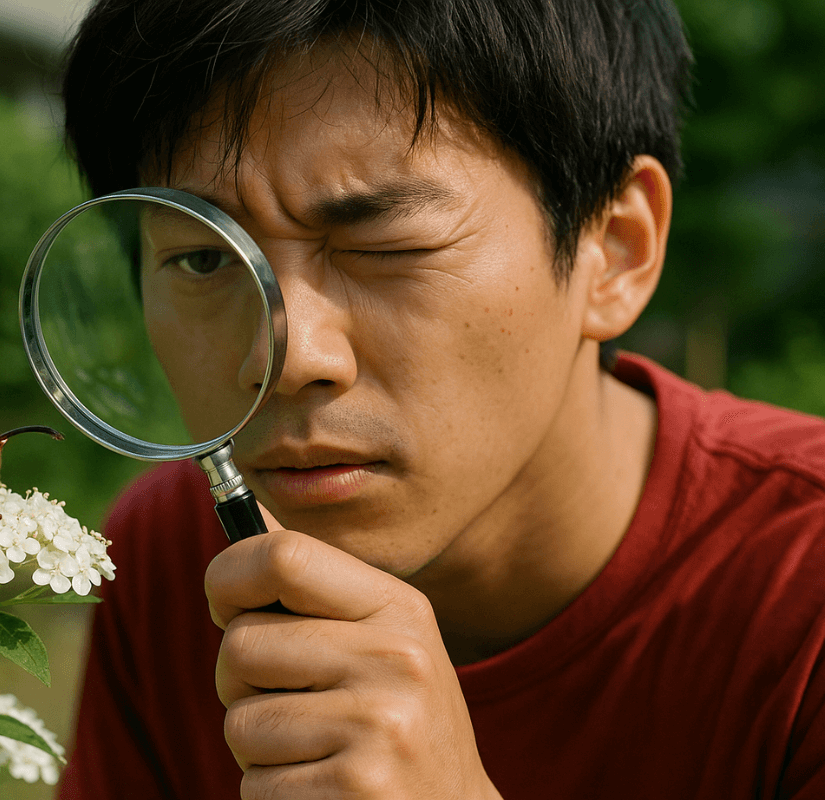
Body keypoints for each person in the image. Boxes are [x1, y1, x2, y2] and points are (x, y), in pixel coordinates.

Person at [53, 1, 825, 797]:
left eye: (385, 246)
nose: (285, 360)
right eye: (202, 261)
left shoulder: (804, 593)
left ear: (615, 251)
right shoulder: (177, 558)